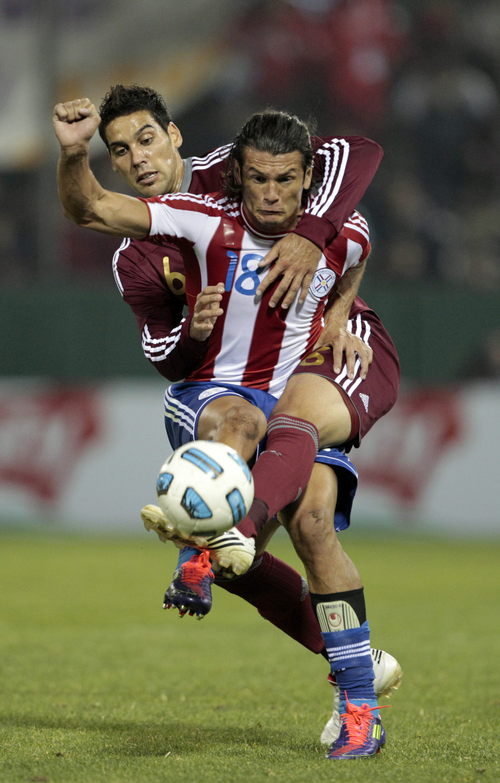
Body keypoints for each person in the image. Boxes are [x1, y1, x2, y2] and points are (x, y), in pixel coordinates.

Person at [53, 97, 400, 759]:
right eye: (120, 149)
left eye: (146, 140)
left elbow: (359, 220)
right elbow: (92, 209)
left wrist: (337, 309)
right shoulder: (192, 222)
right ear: (239, 178)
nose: (138, 159)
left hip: (303, 383)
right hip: (217, 393)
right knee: (244, 425)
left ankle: (358, 702)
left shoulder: (322, 220)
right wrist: (73, 154)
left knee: (315, 523)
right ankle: (226, 546)